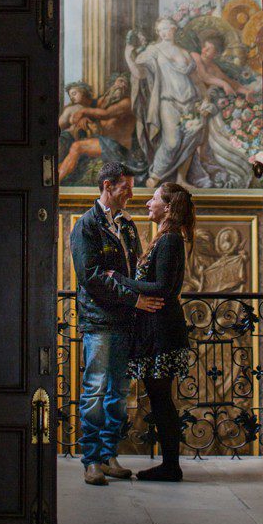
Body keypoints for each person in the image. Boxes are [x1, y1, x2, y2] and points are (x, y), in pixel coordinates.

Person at [69, 163, 163, 486]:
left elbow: (132, 273)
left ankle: (109, 455)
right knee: (94, 390)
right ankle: (92, 460)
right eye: (126, 188)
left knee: (118, 393)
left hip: (124, 321)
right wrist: (133, 298)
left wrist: (126, 286)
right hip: (98, 322)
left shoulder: (127, 226)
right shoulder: (86, 226)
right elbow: (92, 278)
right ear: (108, 186)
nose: (132, 194)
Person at [106, 182, 196, 483]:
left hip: (163, 333)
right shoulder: (164, 239)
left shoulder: (170, 240)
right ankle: (169, 465)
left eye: (154, 198)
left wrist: (120, 279)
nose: (148, 203)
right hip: (155, 332)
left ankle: (171, 466)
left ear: (167, 207)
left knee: (161, 401)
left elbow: (162, 289)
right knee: (159, 400)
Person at [126, 18, 214, 189]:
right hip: (168, 102)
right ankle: (155, 176)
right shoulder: (154, 50)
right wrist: (128, 57)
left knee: (190, 140)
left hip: (190, 102)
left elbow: (196, 79)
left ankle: (181, 179)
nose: (163, 33)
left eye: (166, 29)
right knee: (172, 141)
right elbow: (140, 73)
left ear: (174, 29)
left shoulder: (185, 53)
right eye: (160, 30)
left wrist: (205, 99)